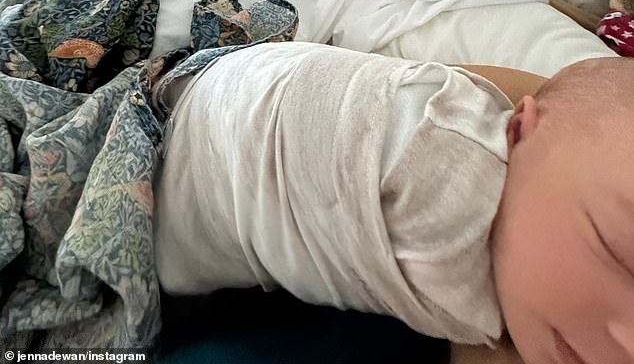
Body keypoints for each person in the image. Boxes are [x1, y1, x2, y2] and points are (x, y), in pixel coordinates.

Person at [153, 43, 634, 364]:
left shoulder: (515, 140)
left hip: (225, 75)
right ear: (516, 128)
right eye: (617, 251)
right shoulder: (447, 181)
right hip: (181, 170)